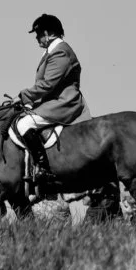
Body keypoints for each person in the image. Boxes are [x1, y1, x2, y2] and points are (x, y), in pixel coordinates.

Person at [14, 14, 89, 189]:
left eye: (38, 34)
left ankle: (43, 169)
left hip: (63, 103)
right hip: (50, 101)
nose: (36, 38)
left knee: (24, 125)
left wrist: (23, 96)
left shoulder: (61, 51)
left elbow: (48, 84)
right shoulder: (51, 51)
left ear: (47, 33)